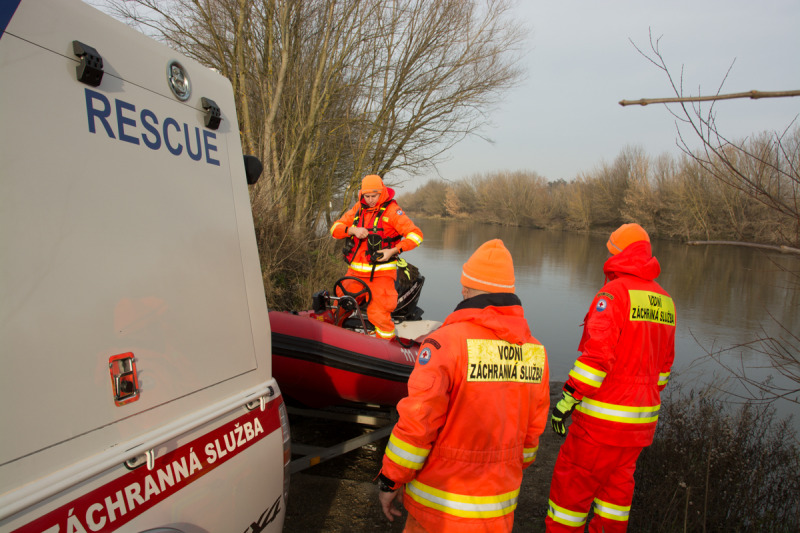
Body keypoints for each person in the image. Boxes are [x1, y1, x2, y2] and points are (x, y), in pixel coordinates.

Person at [377, 239, 550, 533]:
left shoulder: (446, 343)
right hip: (497, 509)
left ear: (467, 289)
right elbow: (531, 438)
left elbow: (418, 423)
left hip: (438, 510)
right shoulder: (535, 351)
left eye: (464, 285)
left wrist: (390, 480)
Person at [545, 223, 676, 532]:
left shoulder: (614, 294)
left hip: (600, 424)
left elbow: (596, 359)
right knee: (615, 501)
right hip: (640, 425)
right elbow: (664, 369)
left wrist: (568, 399)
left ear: (618, 252)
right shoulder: (664, 300)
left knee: (570, 497)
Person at [330, 174, 423, 340]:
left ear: (382, 193)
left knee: (379, 315)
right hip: (355, 272)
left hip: (381, 274)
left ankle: (384, 349)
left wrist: (394, 250)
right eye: (367, 196)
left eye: (374, 196)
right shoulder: (358, 208)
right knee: (338, 306)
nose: (371, 200)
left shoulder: (393, 211)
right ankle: (333, 339)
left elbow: (416, 235)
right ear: (362, 195)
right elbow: (335, 229)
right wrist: (352, 230)